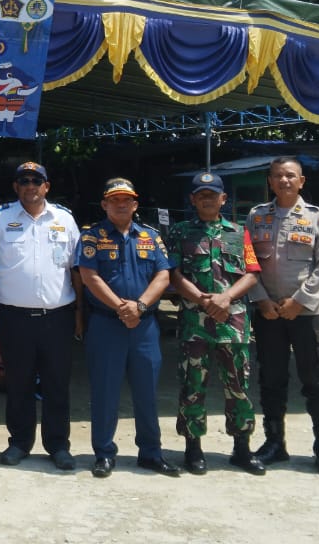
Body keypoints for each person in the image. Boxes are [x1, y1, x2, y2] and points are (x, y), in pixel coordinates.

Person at [0, 160, 81, 471]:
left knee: (57, 384)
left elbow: (77, 270)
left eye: (37, 181)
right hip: (13, 317)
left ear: (46, 186)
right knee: (19, 384)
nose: (30, 186)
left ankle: (58, 445)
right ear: (16, 187)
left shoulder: (64, 219)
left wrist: (80, 313)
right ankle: (19, 442)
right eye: (24, 181)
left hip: (58, 317)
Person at [76, 177, 179, 478]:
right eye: (114, 200)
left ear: (135, 204)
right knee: (105, 391)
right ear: (105, 204)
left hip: (144, 326)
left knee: (147, 391)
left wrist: (141, 307)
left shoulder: (150, 236)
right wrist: (121, 308)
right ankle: (104, 453)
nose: (121, 204)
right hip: (107, 325)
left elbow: (163, 275)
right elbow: (89, 276)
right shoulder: (92, 237)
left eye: (127, 200)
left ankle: (150, 453)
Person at [166, 171, 265, 476]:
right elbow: (173, 274)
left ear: (224, 199)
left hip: (232, 324)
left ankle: (242, 448)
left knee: (239, 387)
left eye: (213, 195)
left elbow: (251, 273)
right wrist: (202, 300)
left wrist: (224, 300)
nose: (207, 199)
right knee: (192, 386)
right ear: (193, 200)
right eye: (201, 195)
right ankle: (193, 448)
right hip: (195, 324)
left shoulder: (239, 232)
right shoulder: (180, 232)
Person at [247, 156, 319, 476]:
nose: (284, 181)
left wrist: (300, 301)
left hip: (306, 313)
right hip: (268, 313)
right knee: (271, 379)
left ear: (301, 181)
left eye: (290, 176)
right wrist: (261, 301)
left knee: (317, 380)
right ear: (270, 181)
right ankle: (275, 443)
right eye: (277, 176)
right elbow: (249, 263)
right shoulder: (256, 216)